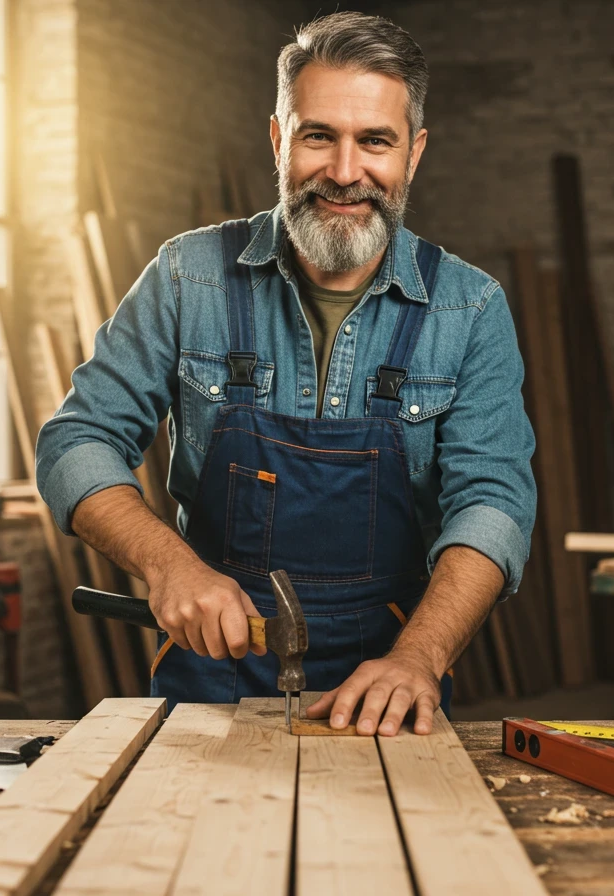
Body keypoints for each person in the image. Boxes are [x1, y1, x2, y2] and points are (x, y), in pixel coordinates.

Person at [36, 11, 536, 736]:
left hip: (388, 688)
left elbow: (494, 503)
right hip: (213, 673)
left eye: (374, 141)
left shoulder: (470, 308)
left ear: (414, 154)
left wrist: (421, 657)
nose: (343, 171)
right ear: (278, 139)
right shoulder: (188, 278)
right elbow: (75, 441)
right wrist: (169, 565)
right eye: (317, 135)